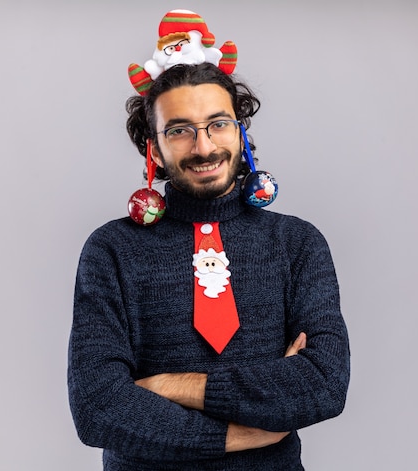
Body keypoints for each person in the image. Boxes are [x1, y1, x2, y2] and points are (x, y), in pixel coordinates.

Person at [68, 9, 350, 471]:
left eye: (218, 123)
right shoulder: (111, 250)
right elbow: (98, 407)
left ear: (240, 130)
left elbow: (324, 383)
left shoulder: (297, 243)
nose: (203, 147)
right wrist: (237, 435)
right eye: (179, 131)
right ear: (153, 148)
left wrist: (167, 387)